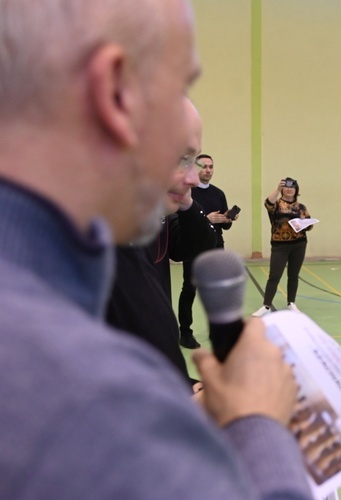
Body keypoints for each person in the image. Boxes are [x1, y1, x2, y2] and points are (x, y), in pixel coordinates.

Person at [0, 1, 312, 498]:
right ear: (115, 93)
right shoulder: (80, 388)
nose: (189, 173)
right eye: (179, 89)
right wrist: (258, 424)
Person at [107, 99, 216, 386]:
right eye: (182, 159)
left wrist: (186, 202)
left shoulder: (153, 216)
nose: (193, 177)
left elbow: (197, 246)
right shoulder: (92, 258)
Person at [178, 153, 235, 348]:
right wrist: (206, 220)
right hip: (193, 250)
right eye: (204, 166)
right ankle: (185, 332)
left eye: (211, 166)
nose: (208, 170)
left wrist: (227, 219)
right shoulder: (188, 193)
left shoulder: (218, 193)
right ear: (196, 168)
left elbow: (224, 225)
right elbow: (184, 222)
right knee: (189, 290)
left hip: (216, 248)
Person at [253, 177, 313, 317]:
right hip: (280, 245)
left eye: (292, 187)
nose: (289, 189)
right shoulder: (277, 204)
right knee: (274, 275)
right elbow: (268, 204)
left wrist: (306, 225)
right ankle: (266, 305)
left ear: (296, 190)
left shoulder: (301, 207)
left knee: (293, 275)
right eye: (286, 186)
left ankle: (291, 303)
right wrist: (277, 189)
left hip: (299, 244)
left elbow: (309, 224)